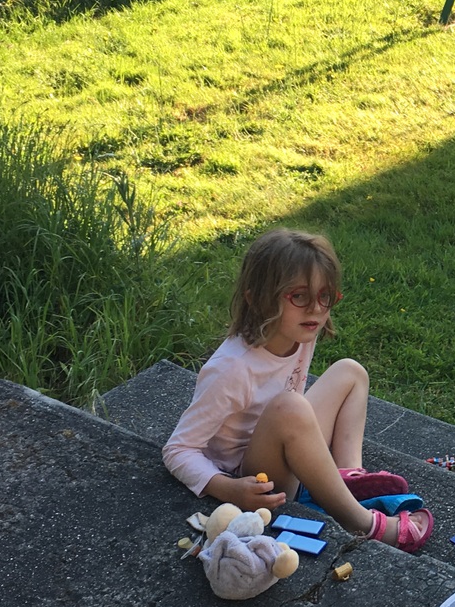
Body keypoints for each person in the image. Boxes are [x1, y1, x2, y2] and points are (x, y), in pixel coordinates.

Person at [164, 228, 434, 553]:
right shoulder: (231, 369)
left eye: (325, 296)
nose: (316, 310)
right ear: (257, 298)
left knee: (351, 372)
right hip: (255, 479)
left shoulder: (299, 333)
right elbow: (178, 450)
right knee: (290, 407)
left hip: (284, 441)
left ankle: (347, 478)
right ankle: (361, 522)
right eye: (300, 296)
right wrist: (228, 489)